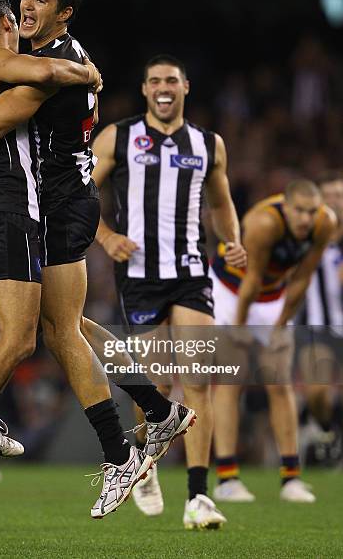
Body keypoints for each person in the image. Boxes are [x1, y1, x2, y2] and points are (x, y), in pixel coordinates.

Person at [0, 0, 195, 518]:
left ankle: (117, 452)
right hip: (59, 201)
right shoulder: (48, 59)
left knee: (52, 331)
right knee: (65, 326)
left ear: (64, 13)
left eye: (40, 1)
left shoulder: (51, 69)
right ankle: (155, 408)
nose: (28, 7)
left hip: (60, 204)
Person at [91, 54, 247, 529]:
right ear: (144, 90)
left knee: (198, 377)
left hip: (191, 271)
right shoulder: (117, 137)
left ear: (185, 87)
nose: (164, 87)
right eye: (155, 80)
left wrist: (233, 241)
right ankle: (144, 461)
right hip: (138, 275)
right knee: (156, 385)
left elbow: (221, 201)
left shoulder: (207, 144)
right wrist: (105, 236)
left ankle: (199, 495)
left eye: (171, 81)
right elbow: (79, 195)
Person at [210, 179, 336, 503]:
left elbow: (304, 276)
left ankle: (291, 478)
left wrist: (280, 326)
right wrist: (238, 324)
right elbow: (250, 281)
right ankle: (227, 478)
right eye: (299, 211)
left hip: (272, 295)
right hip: (230, 291)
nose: (306, 219)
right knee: (230, 380)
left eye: (312, 211)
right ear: (285, 206)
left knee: (279, 383)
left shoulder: (325, 223)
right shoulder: (264, 223)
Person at [296, 172, 343, 466]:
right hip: (317, 328)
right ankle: (326, 432)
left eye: (340, 195)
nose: (335, 201)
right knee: (316, 393)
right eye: (329, 196)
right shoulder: (303, 240)